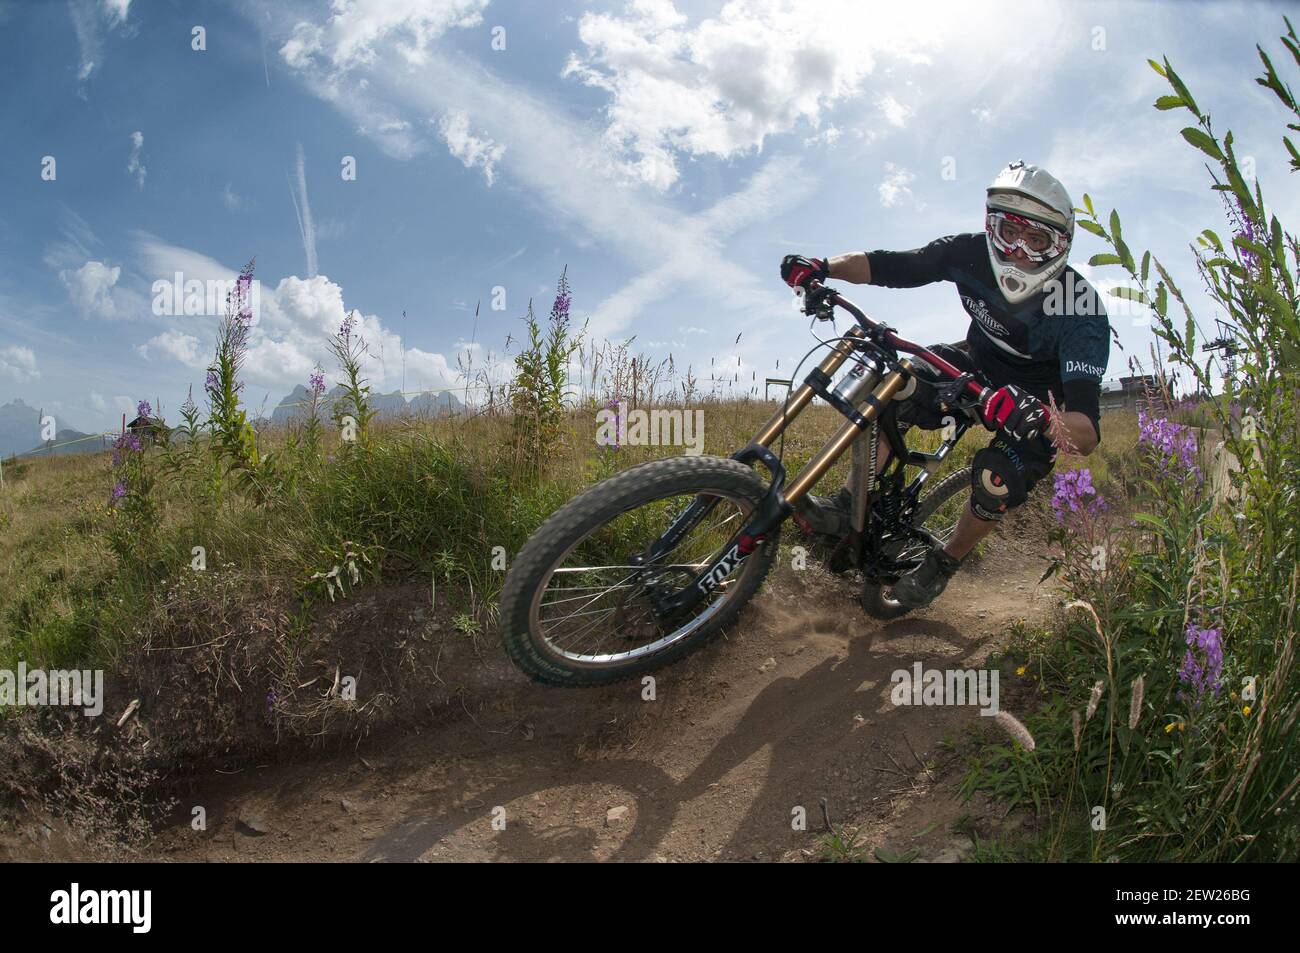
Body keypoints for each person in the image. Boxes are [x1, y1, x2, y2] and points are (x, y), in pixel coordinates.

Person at [780, 160, 1110, 609]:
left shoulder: (1081, 309)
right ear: (990, 227)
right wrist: (823, 267)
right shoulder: (967, 252)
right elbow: (892, 266)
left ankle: (943, 563)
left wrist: (1040, 417)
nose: (1017, 251)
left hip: (1038, 408)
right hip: (975, 366)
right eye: (1008, 232)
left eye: (1036, 240)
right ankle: (849, 506)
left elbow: (1087, 432)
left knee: (997, 481)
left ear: (1060, 246)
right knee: (898, 384)